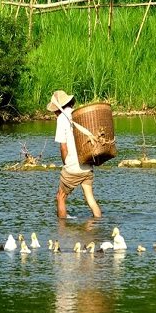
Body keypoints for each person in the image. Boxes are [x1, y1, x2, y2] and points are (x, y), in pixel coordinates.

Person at [48, 90, 102, 218]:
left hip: (73, 165)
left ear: (58, 108)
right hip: (87, 164)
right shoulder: (79, 114)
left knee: (60, 197)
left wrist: (66, 164)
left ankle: (61, 232)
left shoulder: (62, 118)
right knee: (90, 198)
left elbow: (63, 147)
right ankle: (98, 223)